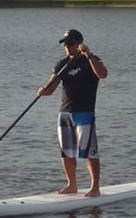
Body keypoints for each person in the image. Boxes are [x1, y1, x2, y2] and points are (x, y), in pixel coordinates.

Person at [38, 29, 108, 197]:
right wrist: (43, 90)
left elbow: (103, 74)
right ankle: (72, 185)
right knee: (66, 152)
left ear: (80, 43)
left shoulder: (91, 60)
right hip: (65, 113)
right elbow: (51, 87)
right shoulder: (62, 64)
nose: (67, 47)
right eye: (65, 44)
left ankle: (95, 188)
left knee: (89, 151)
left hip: (84, 112)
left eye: (70, 44)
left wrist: (89, 55)